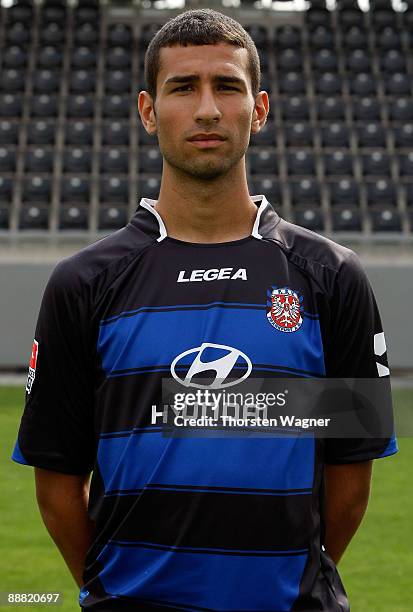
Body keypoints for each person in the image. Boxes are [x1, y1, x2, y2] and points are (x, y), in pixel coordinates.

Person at [12, 8, 397, 611]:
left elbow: (350, 477)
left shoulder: (332, 276)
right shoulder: (83, 283)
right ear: (147, 111)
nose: (208, 109)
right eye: (183, 88)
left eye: (228, 86)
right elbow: (58, 480)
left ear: (260, 109)